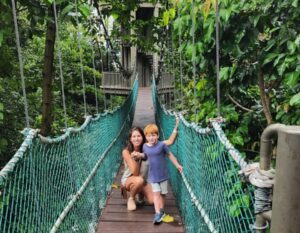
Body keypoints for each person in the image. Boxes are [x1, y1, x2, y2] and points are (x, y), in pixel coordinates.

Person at [121, 118, 179, 211]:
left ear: (143, 137)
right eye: (134, 136)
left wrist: (176, 127)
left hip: (144, 179)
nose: (136, 139)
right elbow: (135, 173)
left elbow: (169, 142)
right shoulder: (126, 152)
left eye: (139, 136)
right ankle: (131, 197)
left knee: (153, 200)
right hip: (130, 179)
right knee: (138, 180)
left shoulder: (148, 146)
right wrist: (136, 158)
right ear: (130, 139)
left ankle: (140, 193)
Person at [142, 123, 183, 224]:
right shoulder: (145, 146)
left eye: (153, 135)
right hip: (153, 176)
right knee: (156, 194)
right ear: (146, 137)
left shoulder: (162, 145)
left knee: (163, 194)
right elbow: (145, 156)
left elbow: (170, 155)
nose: (151, 138)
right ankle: (157, 213)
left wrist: (177, 165)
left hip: (163, 175)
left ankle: (161, 211)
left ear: (158, 135)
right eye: (149, 135)